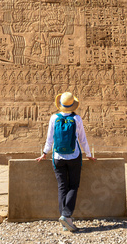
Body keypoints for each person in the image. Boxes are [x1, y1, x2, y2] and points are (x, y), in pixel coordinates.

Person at [35, 92, 96, 232]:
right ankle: (66, 215)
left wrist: (44, 153)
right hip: (74, 156)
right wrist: (89, 154)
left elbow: (49, 138)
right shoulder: (77, 118)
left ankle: (64, 219)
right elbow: (82, 139)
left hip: (57, 157)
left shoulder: (53, 118)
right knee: (73, 186)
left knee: (62, 187)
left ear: (60, 105)